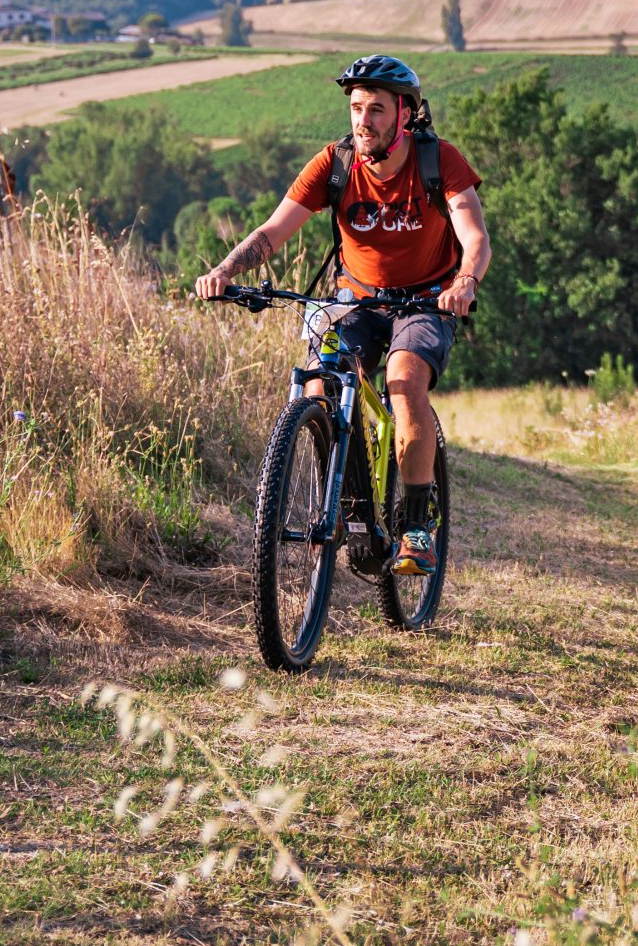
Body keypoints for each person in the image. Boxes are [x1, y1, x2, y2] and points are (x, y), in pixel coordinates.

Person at [194, 55, 491, 574]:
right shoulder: (333, 163)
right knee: (320, 384)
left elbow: (473, 234)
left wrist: (465, 281)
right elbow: (272, 231)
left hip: (425, 300)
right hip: (354, 299)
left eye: (376, 109)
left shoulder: (438, 160)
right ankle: (345, 503)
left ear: (405, 115)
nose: (363, 120)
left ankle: (416, 524)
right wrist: (224, 269)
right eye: (356, 108)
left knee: (404, 382)